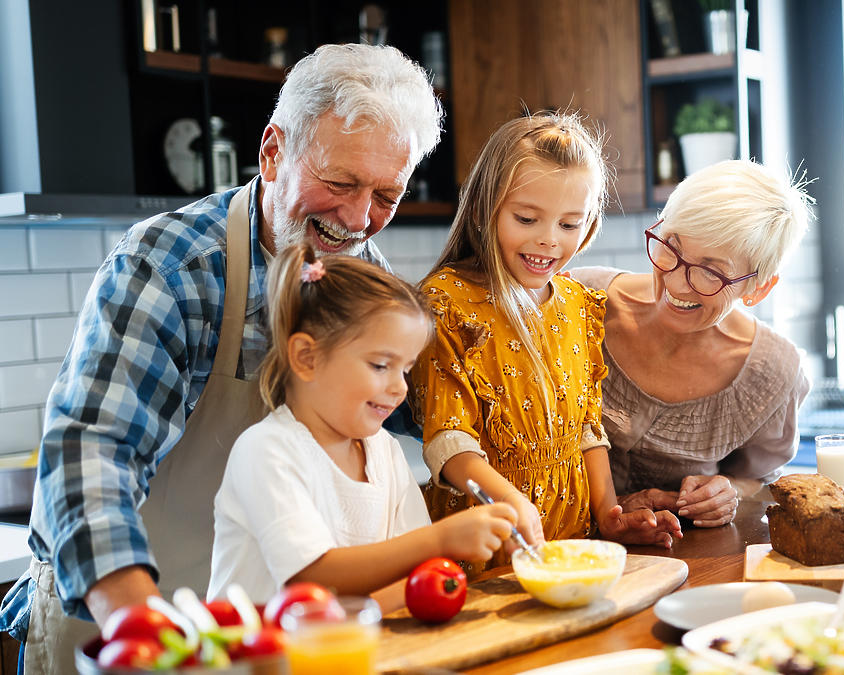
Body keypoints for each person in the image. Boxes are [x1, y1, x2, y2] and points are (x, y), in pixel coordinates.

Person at [0, 43, 442, 673]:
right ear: (272, 151)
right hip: (128, 624)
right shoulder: (172, 266)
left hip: (258, 641)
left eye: (385, 195)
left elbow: (422, 410)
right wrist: (140, 630)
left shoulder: (362, 276)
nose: (358, 218)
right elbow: (91, 454)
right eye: (340, 182)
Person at [409, 111, 681, 575]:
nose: (548, 240)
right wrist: (513, 504)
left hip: (572, 545)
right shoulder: (446, 301)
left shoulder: (579, 304)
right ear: (483, 207)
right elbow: (448, 441)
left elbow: (585, 429)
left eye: (570, 224)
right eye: (527, 218)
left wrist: (608, 516)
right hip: (484, 552)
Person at [207, 245, 515, 602]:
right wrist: (441, 539)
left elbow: (408, 577)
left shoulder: (384, 451)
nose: (400, 387)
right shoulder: (266, 451)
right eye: (380, 365)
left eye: (405, 369)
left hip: (350, 648)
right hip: (260, 655)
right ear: (307, 357)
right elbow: (310, 581)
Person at [570, 159, 813, 528]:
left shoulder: (773, 373)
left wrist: (727, 491)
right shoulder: (577, 302)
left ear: (758, 288)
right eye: (671, 246)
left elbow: (758, 479)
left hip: (687, 569)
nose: (678, 284)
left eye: (711, 271)